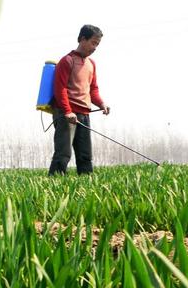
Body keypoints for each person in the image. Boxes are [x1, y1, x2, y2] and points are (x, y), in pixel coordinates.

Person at [48, 24, 110, 176]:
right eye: (93, 43)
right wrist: (68, 111)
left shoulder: (91, 64)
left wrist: (102, 103)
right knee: (63, 153)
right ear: (83, 39)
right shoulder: (67, 61)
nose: (95, 47)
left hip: (84, 114)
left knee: (85, 155)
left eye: (97, 44)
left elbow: (93, 89)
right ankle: (53, 186)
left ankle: (87, 185)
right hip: (66, 114)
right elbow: (60, 89)